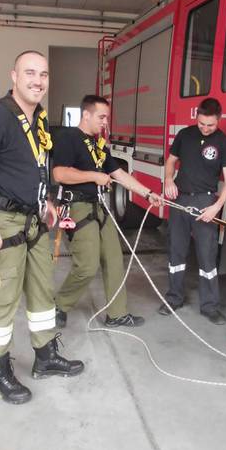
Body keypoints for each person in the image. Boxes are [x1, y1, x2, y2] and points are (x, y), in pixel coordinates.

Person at [0, 50, 84, 405]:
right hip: (5, 223)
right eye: (30, 73)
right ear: (14, 76)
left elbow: (34, 168)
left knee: (42, 293)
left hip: (35, 220)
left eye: (43, 74)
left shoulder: (38, 119)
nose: (38, 81)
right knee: (3, 300)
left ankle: (45, 356)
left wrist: (47, 202)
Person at [53, 95, 161, 328]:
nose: (105, 122)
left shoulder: (99, 145)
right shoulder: (68, 138)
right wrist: (94, 176)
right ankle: (59, 305)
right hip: (78, 207)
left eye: (107, 118)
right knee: (87, 265)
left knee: (114, 260)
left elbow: (118, 174)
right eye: (101, 117)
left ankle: (117, 314)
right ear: (86, 115)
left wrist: (147, 193)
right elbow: (59, 174)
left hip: (100, 207)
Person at [160, 98, 226, 324]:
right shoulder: (185, 135)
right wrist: (168, 180)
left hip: (205, 202)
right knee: (176, 251)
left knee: (207, 255)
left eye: (210, 125)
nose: (205, 128)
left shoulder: (224, 143)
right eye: (202, 123)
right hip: (180, 199)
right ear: (197, 117)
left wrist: (216, 207)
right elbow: (170, 162)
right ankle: (174, 298)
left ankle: (210, 306)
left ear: (218, 120)